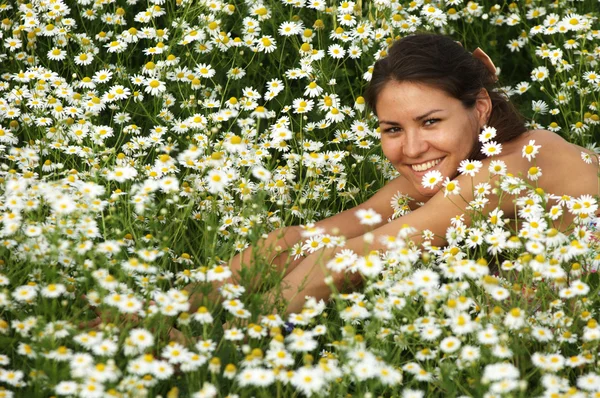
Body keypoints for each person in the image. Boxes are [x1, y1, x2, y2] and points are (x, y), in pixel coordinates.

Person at [183, 33, 600, 321]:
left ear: (481, 108)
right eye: (393, 129)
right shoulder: (457, 164)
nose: (413, 149)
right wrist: (181, 311)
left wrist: (231, 335)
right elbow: (311, 238)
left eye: (431, 121)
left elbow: (361, 254)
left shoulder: (507, 169)